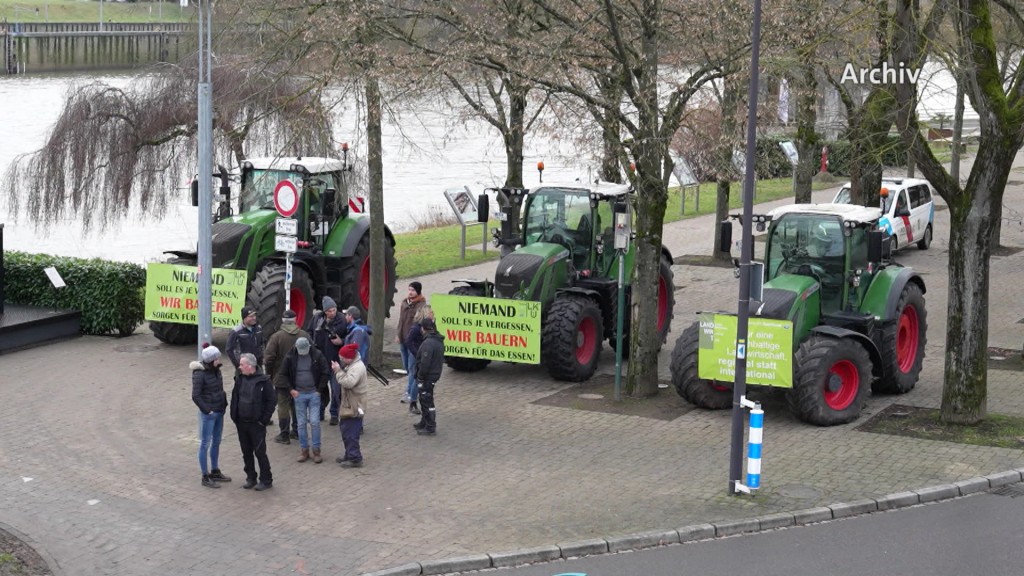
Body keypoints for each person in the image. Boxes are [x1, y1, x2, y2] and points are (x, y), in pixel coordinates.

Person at [230, 353, 276, 491]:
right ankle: (251, 477)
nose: (239, 367)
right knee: (246, 451)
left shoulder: (264, 381)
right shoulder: (240, 379)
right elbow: (235, 397)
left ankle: (266, 479)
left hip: (256, 424)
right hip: (241, 423)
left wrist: (263, 420)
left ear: (250, 366)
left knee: (260, 452)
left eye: (242, 364)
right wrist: (234, 415)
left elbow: (272, 401)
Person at [264, 309, 310, 445]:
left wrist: (270, 374)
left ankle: (284, 434)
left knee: (283, 404)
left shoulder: (276, 337)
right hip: (301, 377)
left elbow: (269, 359)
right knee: (297, 404)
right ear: (295, 320)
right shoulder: (304, 335)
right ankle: (296, 431)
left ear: (283, 321)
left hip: (281, 377)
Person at [283, 337, 330, 463]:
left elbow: (326, 372)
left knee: (315, 422)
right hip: (299, 395)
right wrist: (291, 390)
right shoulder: (290, 356)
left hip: (313, 394)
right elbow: (283, 374)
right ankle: (304, 450)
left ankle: (316, 450)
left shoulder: (317, 355)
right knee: (301, 423)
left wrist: (319, 390)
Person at [191, 345, 231, 488]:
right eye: (217, 358)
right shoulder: (199, 374)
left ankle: (215, 470)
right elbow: (195, 396)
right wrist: (208, 411)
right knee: (205, 444)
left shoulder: (216, 370)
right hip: (210, 414)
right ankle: (205, 475)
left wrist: (223, 405)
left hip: (219, 411)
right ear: (211, 360)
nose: (219, 360)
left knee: (217, 441)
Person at [307, 296, 347, 426]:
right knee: (321, 388)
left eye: (334, 310)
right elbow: (309, 331)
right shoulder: (317, 318)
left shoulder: (342, 320)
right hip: (320, 361)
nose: (332, 313)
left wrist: (342, 341)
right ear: (325, 311)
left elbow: (349, 337)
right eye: (329, 311)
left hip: (335, 361)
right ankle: (320, 411)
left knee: (336, 389)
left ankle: (334, 414)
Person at [333, 343, 368, 468]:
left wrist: (338, 372)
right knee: (345, 430)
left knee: (351, 432)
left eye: (343, 358)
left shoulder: (357, 368)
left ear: (349, 357)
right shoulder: (352, 365)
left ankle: (355, 458)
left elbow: (348, 382)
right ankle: (349, 454)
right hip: (350, 404)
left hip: (355, 406)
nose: (341, 360)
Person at [396, 282, 426, 410]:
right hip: (403, 339)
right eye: (409, 290)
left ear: (418, 291)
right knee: (407, 368)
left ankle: (409, 393)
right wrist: (398, 334)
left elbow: (419, 323)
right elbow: (401, 320)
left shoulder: (421, 305)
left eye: (413, 290)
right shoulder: (404, 303)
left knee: (412, 368)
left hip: (413, 342)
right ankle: (411, 388)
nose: (410, 292)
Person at [413, 317, 446, 436]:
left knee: (426, 400)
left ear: (423, 329)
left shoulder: (428, 343)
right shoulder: (437, 340)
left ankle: (430, 426)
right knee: (425, 399)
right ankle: (424, 421)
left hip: (427, 377)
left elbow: (425, 363)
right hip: (433, 375)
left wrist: (420, 377)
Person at [403, 305, 434, 416]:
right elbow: (408, 341)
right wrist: (417, 354)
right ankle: (413, 401)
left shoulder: (430, 326)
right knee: (417, 379)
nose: (433, 314)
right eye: (431, 312)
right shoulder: (416, 328)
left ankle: (416, 399)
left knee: (420, 379)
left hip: (423, 355)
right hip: (416, 356)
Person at [225, 306, 265, 376]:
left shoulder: (259, 329)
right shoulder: (236, 332)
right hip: (244, 369)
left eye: (254, 315)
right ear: (244, 318)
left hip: (258, 366)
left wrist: (261, 358)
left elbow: (262, 344)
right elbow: (229, 349)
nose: (254, 318)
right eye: (251, 316)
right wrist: (238, 365)